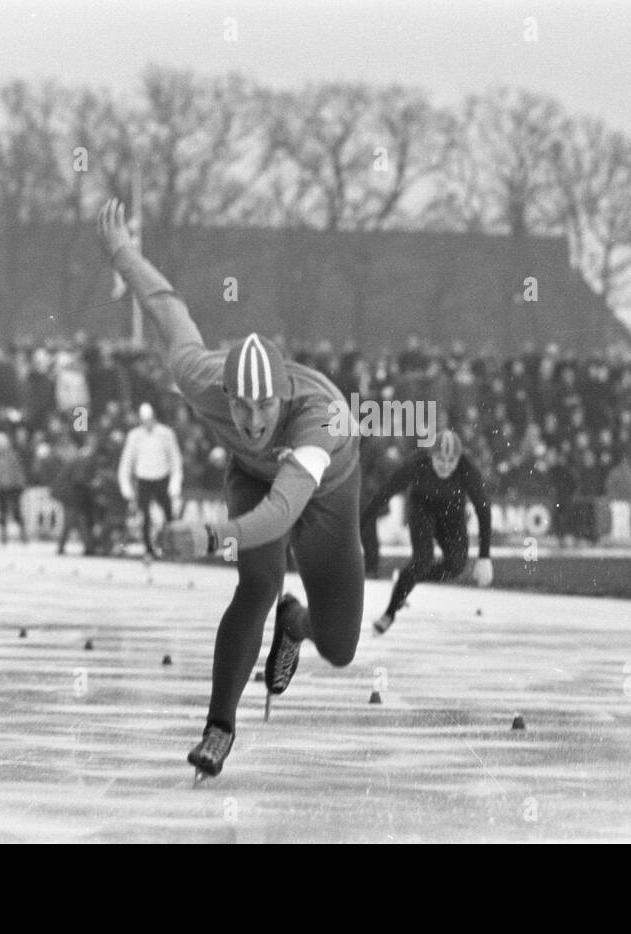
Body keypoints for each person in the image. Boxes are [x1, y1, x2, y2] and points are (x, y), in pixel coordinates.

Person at [97, 198, 364, 779]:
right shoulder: (201, 378)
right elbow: (168, 310)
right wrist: (124, 253)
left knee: (341, 647)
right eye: (239, 406)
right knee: (257, 583)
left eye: (263, 406)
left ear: (282, 397)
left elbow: (282, 512)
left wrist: (210, 536)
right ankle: (219, 728)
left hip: (323, 492)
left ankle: (296, 625)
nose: (250, 419)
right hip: (252, 477)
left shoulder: (318, 421)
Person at [360, 429, 493, 635]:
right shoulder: (417, 462)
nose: (446, 466)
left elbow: (483, 510)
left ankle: (406, 581)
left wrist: (484, 556)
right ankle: (389, 614)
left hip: (452, 514)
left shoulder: (467, 469)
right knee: (422, 560)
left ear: (460, 459)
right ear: (431, 455)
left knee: (457, 565)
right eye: (441, 459)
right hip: (422, 509)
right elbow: (385, 492)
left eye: (451, 461)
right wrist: (360, 524)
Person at [118, 402, 183, 558]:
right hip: (143, 479)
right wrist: (126, 487)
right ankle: (148, 548)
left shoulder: (166, 433)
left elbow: (175, 460)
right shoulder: (134, 435)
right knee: (145, 516)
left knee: (169, 515)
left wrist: (175, 484)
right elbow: (126, 463)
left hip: (162, 478)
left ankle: (171, 547)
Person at [0, 430, 29, 545]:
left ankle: (22, 534)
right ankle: (4, 536)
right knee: (3, 512)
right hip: (2, 488)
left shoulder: (11, 455)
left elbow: (18, 472)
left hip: (13, 488)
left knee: (15, 512)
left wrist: (21, 486)